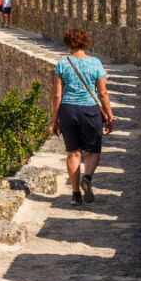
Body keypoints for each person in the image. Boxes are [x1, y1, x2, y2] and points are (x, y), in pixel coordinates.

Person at [51, 28, 114, 208]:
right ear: (85, 43)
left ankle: (75, 194)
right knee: (93, 151)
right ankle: (87, 178)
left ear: (68, 44)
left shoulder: (62, 65)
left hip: (68, 111)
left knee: (73, 153)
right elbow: (102, 93)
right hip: (90, 111)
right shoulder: (95, 63)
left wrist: (55, 120)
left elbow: (57, 96)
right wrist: (109, 115)